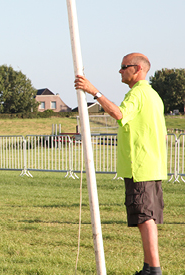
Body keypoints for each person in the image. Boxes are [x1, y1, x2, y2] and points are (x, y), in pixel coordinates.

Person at [74, 53, 166, 275]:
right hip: (153, 167)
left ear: (137, 70)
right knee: (148, 218)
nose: (120, 71)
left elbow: (119, 113)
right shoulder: (154, 95)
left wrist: (94, 92)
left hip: (140, 168)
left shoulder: (138, 94)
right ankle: (150, 267)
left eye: (124, 67)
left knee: (144, 218)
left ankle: (153, 269)